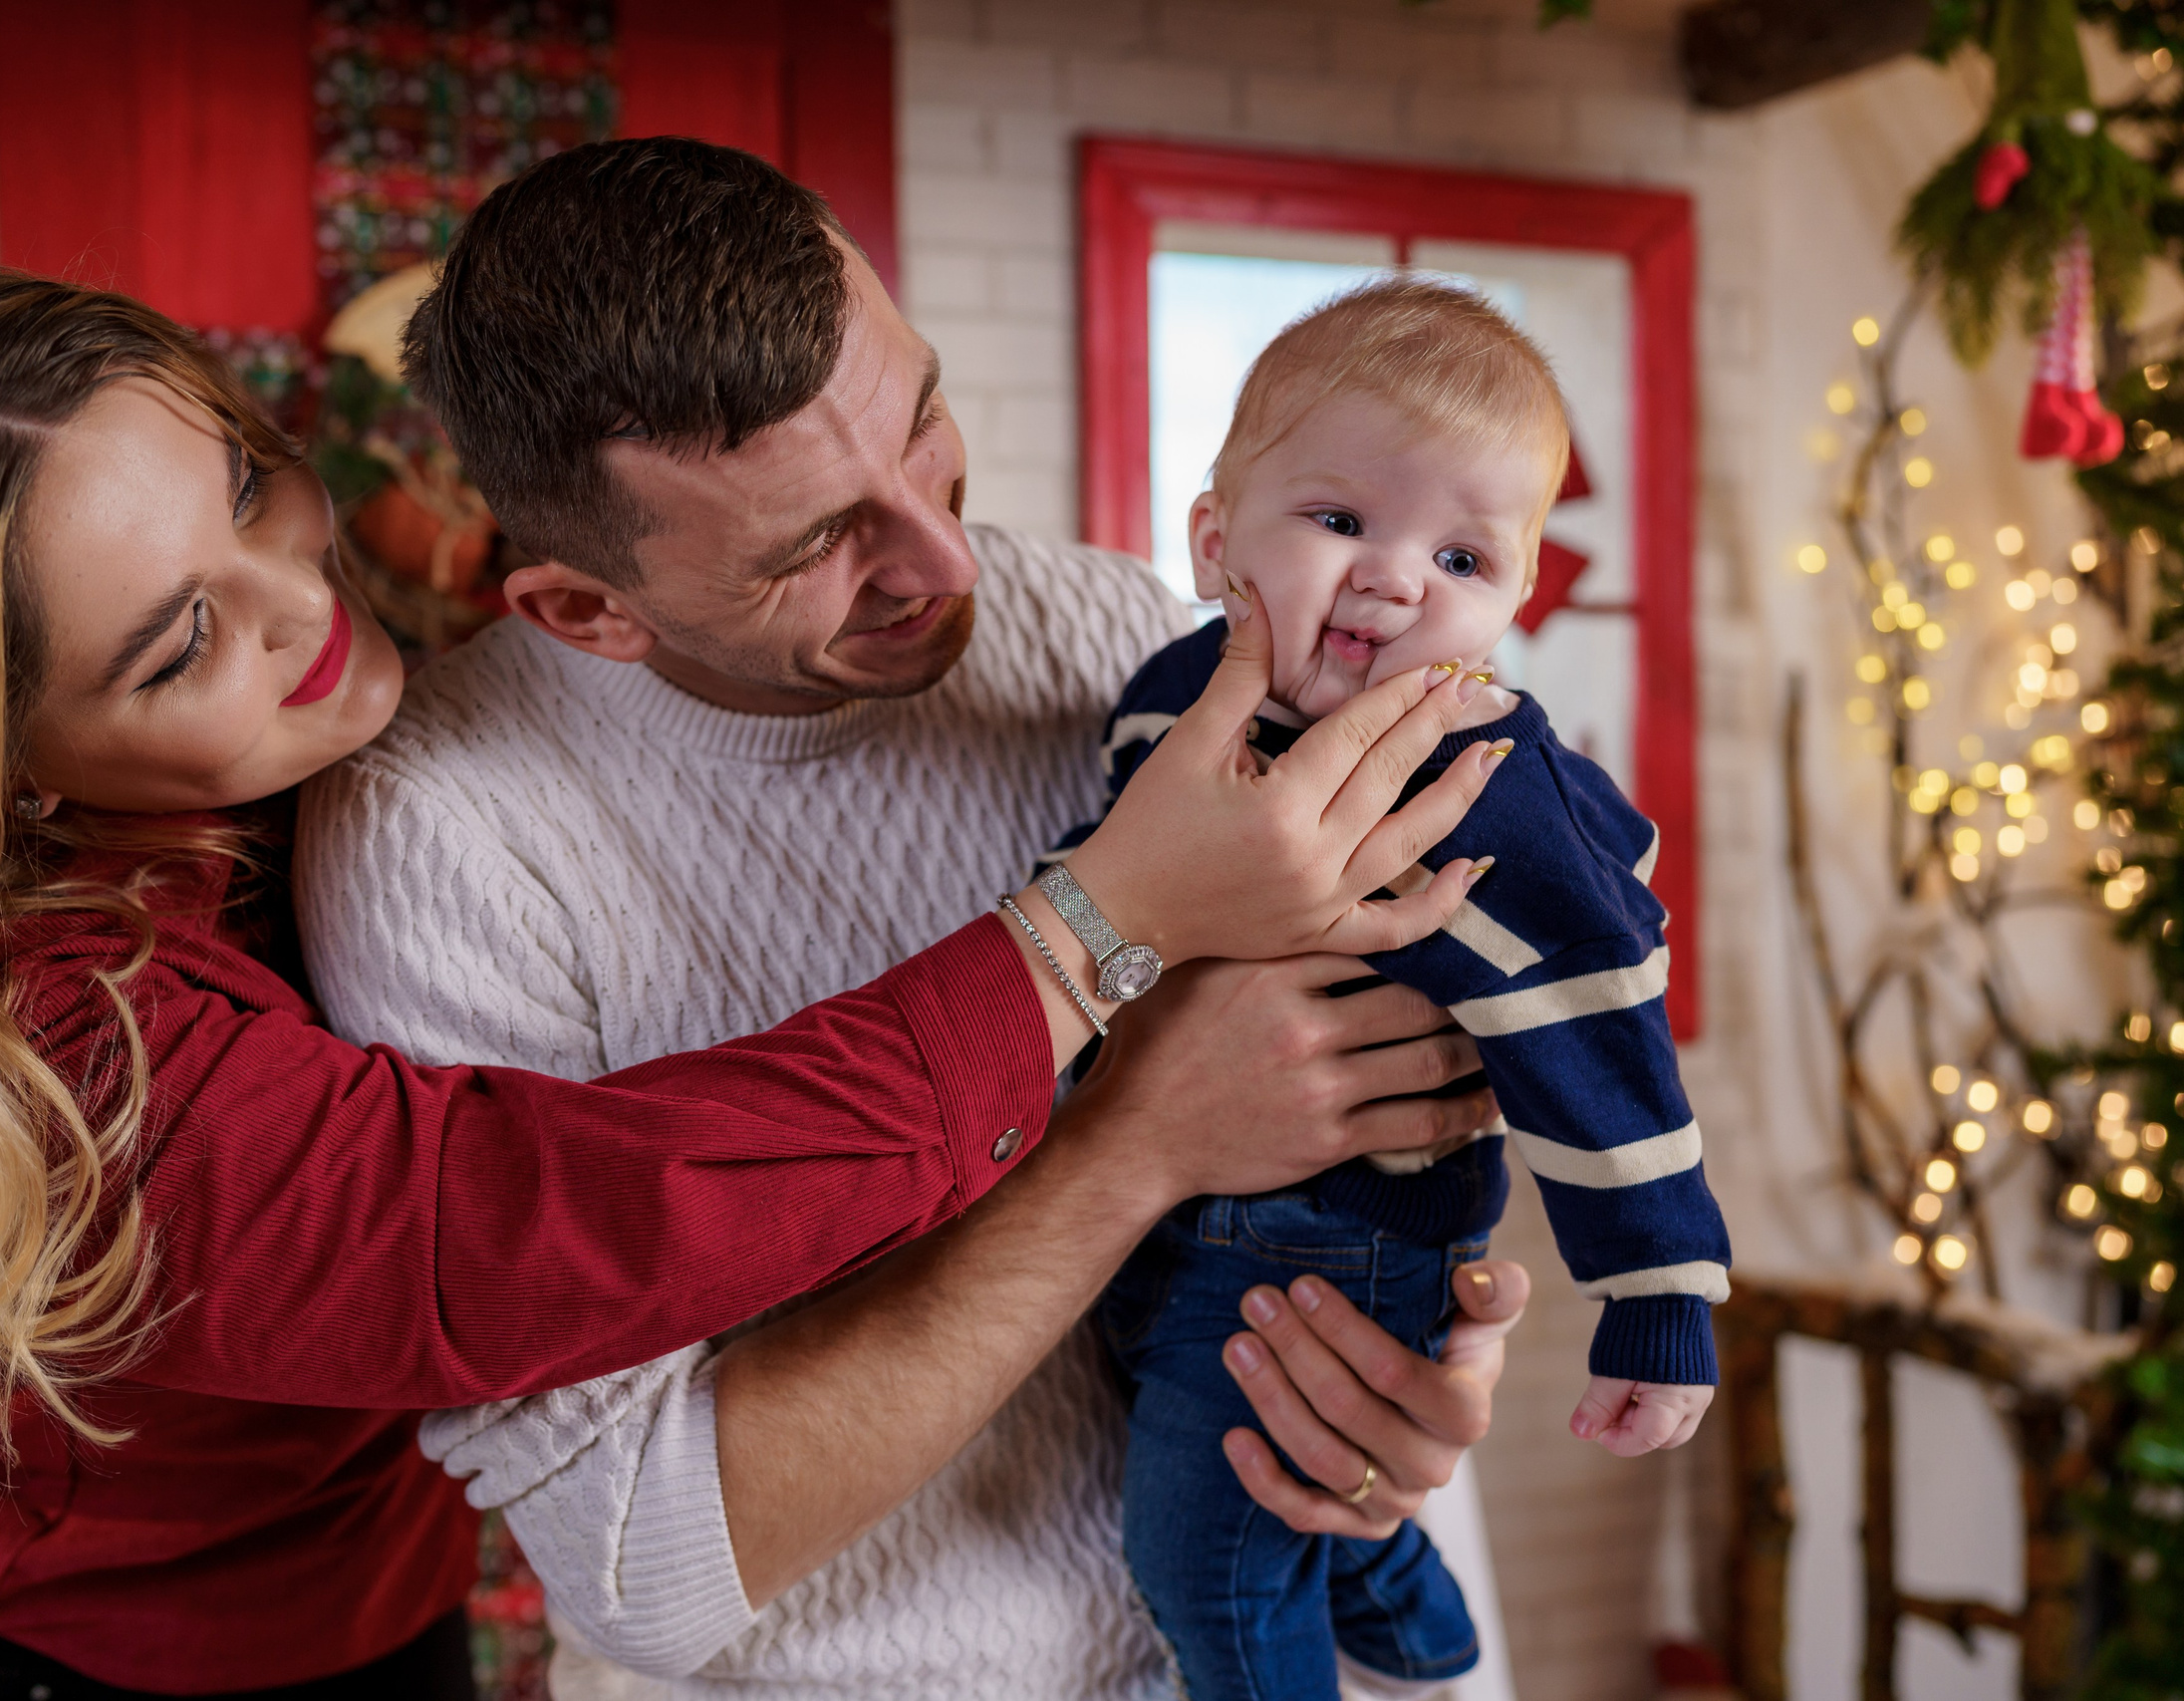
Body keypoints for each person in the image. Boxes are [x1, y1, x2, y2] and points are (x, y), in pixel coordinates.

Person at [0, 260, 1514, 1700]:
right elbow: (528, 1226)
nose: (305, 600)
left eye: (252, 483)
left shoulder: (324, 760)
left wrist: (1368, 1307)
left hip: (353, 1587)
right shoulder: (56, 1050)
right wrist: (1097, 952)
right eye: (178, 638)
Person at [299, 139, 1529, 1701]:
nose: (946, 560)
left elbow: (1346, 1093)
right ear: (582, 608)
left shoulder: (1109, 629)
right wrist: (1137, 1138)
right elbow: (636, 1571)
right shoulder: (444, 835)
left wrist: (1417, 1359)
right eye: (816, 544)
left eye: (926, 421)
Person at [1067, 278, 1732, 1700]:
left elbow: (1601, 1038)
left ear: (1513, 602)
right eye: (1340, 521)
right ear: (1211, 542)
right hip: (1156, 1217)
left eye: (1464, 558)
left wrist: (1657, 1294)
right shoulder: (1165, 699)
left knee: (1203, 1558)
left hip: (1340, 1247)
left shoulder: (1492, 790)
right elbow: (1099, 883)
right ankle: (1412, 1616)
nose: (1394, 580)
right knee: (1214, 1442)